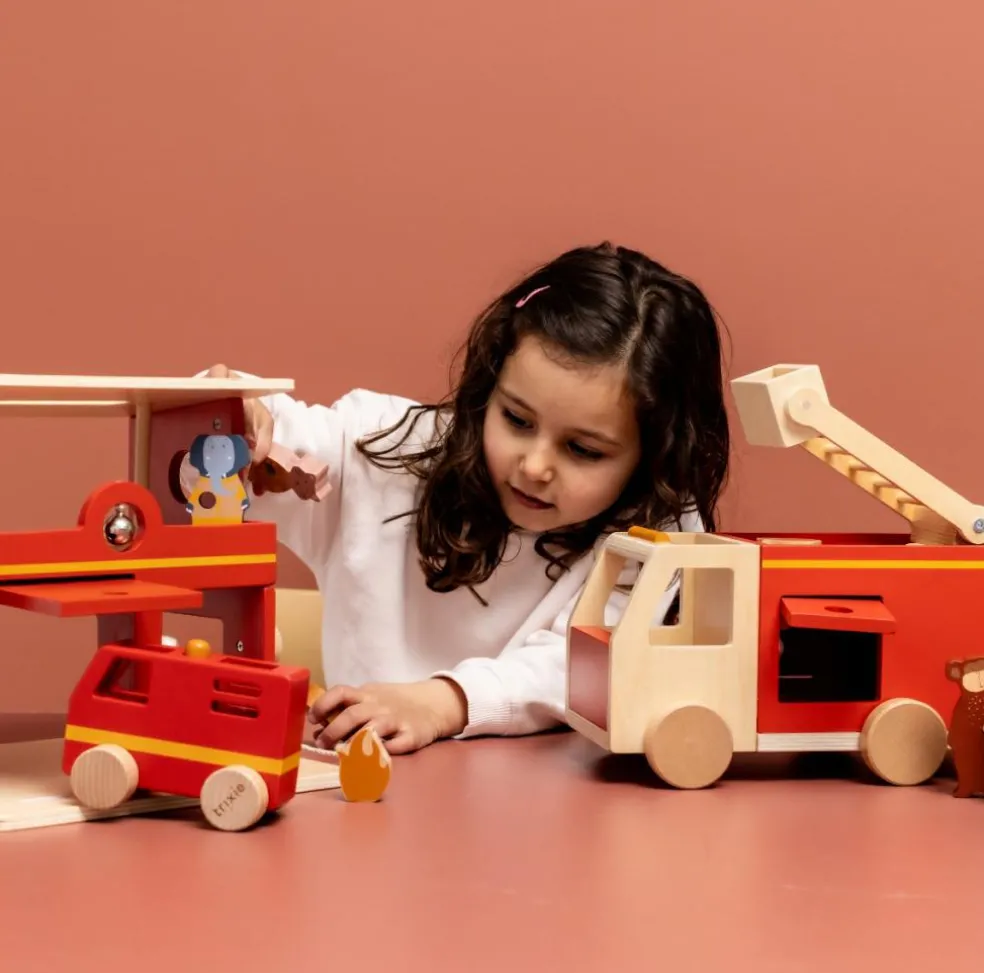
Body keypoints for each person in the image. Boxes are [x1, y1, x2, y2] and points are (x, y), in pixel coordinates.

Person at [204, 241, 731, 754]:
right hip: (370, 795)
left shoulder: (658, 531)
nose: (535, 466)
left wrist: (443, 702)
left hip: (558, 804)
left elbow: (584, 667)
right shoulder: (382, 453)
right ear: (487, 387)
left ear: (653, 456)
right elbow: (222, 437)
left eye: (583, 450)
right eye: (516, 419)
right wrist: (225, 412)